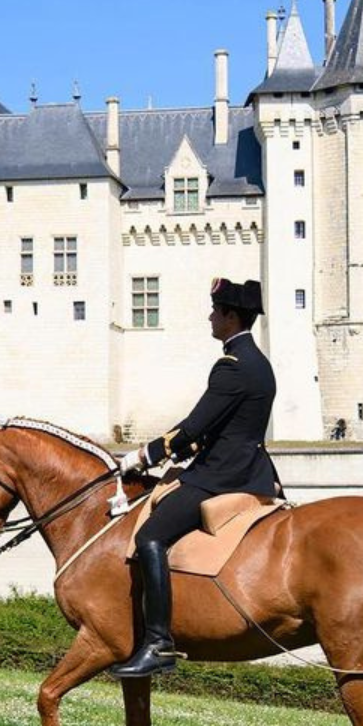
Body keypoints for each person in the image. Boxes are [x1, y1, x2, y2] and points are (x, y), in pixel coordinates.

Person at [111, 276, 277, 678]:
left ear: (230, 316)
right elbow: (225, 428)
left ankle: (157, 642)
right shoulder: (260, 363)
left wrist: (142, 455)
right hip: (252, 471)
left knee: (150, 536)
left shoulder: (231, 366)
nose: (209, 318)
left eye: (215, 312)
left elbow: (194, 428)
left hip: (220, 476)